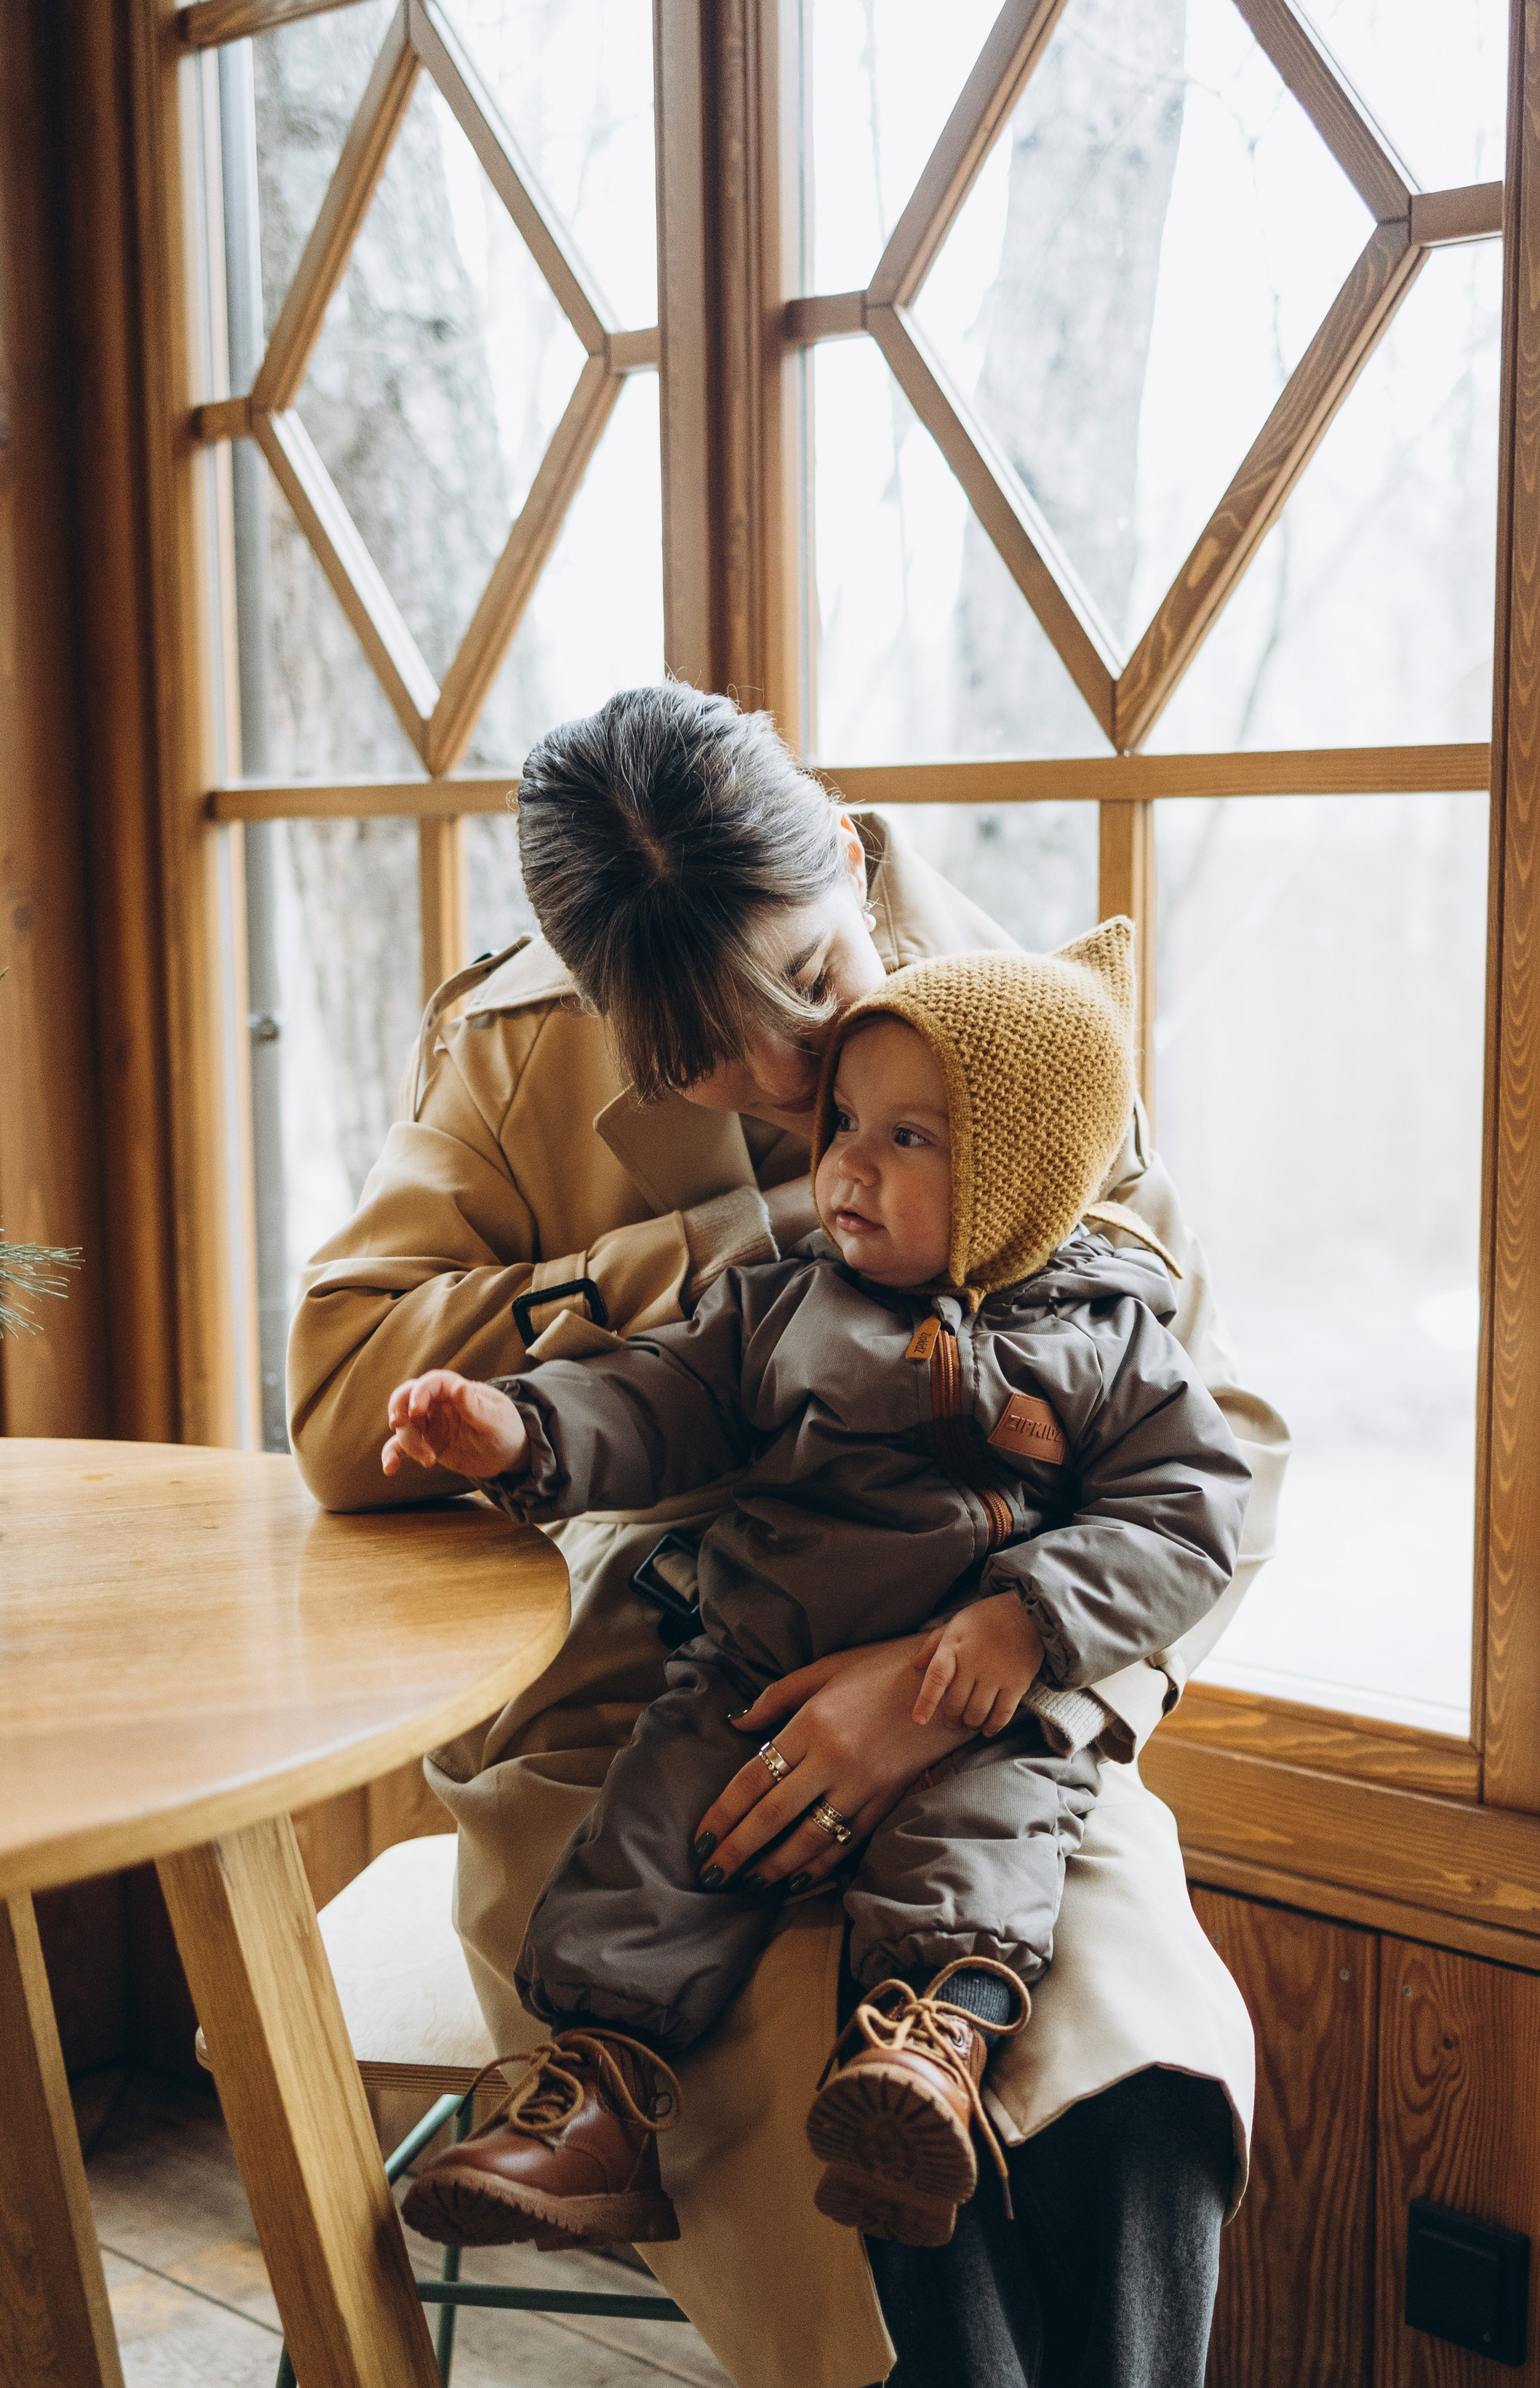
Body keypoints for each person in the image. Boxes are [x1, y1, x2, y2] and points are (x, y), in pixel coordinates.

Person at [287, 682, 1288, 2388]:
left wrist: (979, 1671)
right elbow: (336, 1402)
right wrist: (754, 1256)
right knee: (866, 2208)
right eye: (702, 1058)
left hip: (996, 1722)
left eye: (817, 994)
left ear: (845, 847)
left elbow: (1206, 1439)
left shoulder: (1019, 1028)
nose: (781, 1074)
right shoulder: (514, 1052)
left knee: (1117, 2075)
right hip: (645, 1747)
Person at [376, 926, 1253, 2257]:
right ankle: (597, 2107)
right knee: (656, 1832)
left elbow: (1191, 1513)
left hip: (979, 1697)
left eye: (912, 1138)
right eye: (846, 1120)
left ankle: (925, 2062)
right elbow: (653, 1395)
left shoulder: (1107, 1343)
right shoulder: (785, 1306)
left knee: (982, 1841)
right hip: (756, 1670)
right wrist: (518, 1427)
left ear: (1019, 1174)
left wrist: (1030, 1616)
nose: (844, 1161)